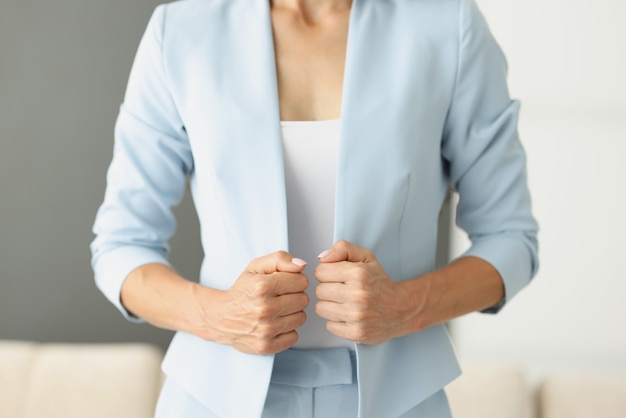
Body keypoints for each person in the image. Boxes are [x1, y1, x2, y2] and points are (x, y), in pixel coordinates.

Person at [91, 0, 538, 416]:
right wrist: (219, 316)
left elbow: (511, 240)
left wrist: (405, 306)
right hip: (215, 397)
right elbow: (120, 246)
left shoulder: (447, 25)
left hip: (399, 399)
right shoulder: (182, 32)